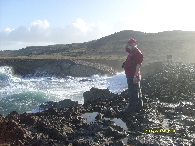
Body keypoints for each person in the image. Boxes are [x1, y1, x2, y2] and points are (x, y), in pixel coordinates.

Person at [122, 38, 144, 114]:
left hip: (133, 75)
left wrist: (135, 76)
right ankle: (138, 107)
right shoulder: (132, 51)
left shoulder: (138, 53)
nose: (130, 45)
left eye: (131, 44)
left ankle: (131, 108)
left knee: (133, 92)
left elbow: (138, 65)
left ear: (135, 44)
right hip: (129, 74)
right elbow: (126, 49)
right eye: (129, 44)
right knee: (134, 91)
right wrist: (126, 47)